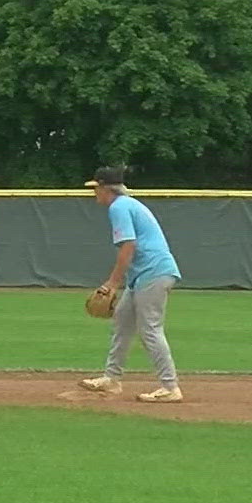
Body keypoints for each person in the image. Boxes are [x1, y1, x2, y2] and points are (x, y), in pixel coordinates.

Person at [78, 166, 185, 403]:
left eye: (96, 187)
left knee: (150, 330)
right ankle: (112, 379)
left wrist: (112, 283)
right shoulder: (127, 205)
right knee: (122, 321)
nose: (94, 192)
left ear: (106, 188)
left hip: (154, 273)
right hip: (144, 276)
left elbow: (129, 246)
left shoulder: (119, 207)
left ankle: (170, 387)